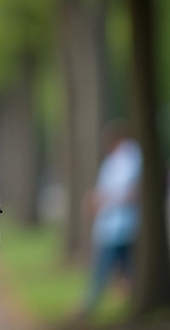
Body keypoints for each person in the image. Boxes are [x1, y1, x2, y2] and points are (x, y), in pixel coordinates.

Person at [78, 121, 142, 319]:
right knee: (125, 273)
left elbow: (131, 191)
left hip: (121, 227)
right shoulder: (114, 160)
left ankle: (86, 309)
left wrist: (101, 200)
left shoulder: (130, 157)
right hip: (113, 227)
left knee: (103, 271)